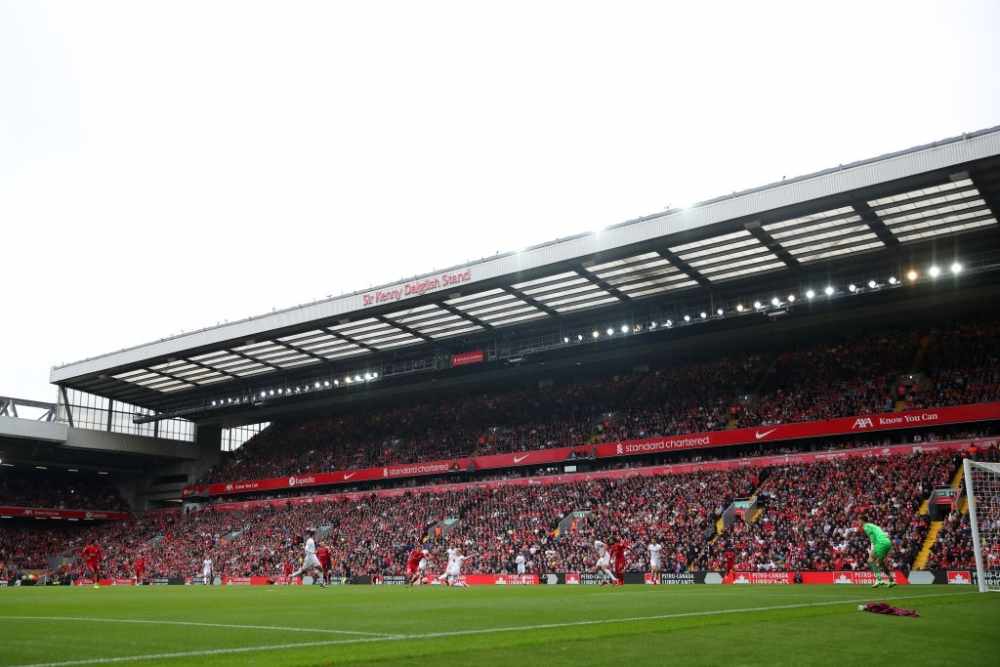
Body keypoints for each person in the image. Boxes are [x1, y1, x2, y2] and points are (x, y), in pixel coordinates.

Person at [857, 516, 895, 588]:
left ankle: (879, 579)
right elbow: (883, 533)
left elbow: (872, 539)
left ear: (862, 521)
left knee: (870, 560)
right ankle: (891, 580)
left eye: (859, 521)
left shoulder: (866, 526)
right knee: (880, 563)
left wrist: (872, 550)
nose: (858, 522)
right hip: (887, 542)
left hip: (881, 543)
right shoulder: (873, 526)